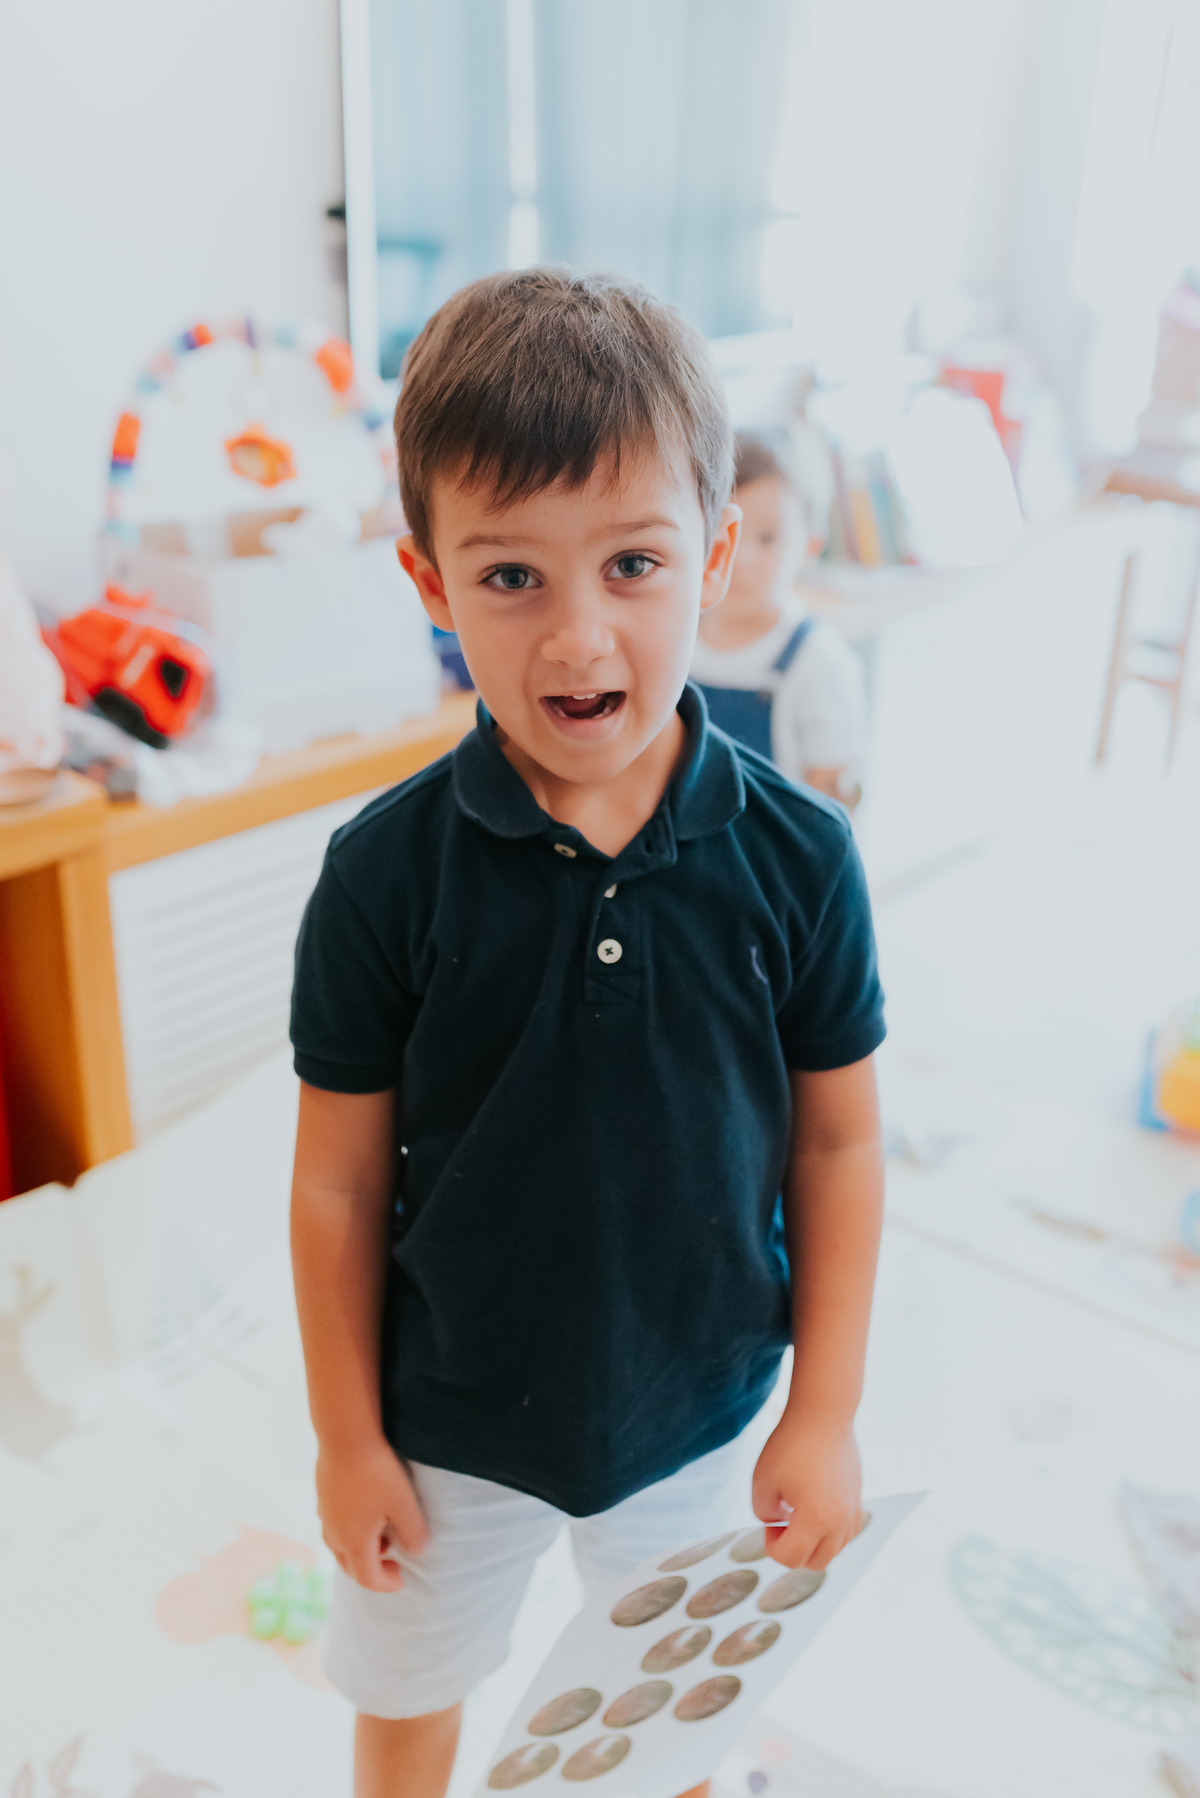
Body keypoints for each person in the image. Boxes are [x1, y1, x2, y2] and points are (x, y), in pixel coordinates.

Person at [289, 269, 886, 1798]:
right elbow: (340, 1182)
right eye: (511, 579)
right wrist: (348, 1436)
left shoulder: (803, 858)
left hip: (697, 1406)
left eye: (633, 563)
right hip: (451, 1413)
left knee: (666, 1719)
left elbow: (839, 1139)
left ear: (719, 554)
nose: (580, 635)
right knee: (407, 1703)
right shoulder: (381, 873)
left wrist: (821, 1412)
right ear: (430, 583)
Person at [690, 433, 867, 806]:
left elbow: (832, 800)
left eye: (767, 539)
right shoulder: (679, 637)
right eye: (723, 535)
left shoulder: (818, 662)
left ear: (810, 547)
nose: (739, 559)